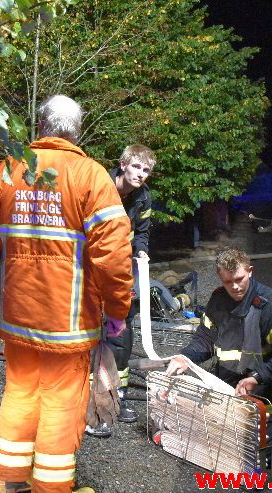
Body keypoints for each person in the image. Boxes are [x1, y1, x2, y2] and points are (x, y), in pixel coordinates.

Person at [0, 95, 133, 493]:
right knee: (60, 403)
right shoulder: (90, 176)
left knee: (19, 393)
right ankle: (51, 488)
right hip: (68, 323)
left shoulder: (6, 172)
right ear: (77, 130)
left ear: (39, 126)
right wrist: (118, 308)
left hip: (19, 317)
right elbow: (113, 256)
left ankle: (10, 481)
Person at [166, 247, 272, 467]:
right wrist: (184, 357)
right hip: (231, 392)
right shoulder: (218, 300)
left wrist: (257, 377)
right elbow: (205, 340)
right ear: (220, 277)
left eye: (239, 279)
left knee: (255, 458)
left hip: (267, 397)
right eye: (228, 282)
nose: (235, 287)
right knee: (214, 442)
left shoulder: (271, 306)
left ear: (250, 271)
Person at [86, 144, 155, 438]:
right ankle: (90, 398)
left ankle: (118, 395)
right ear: (123, 164)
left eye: (147, 170)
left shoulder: (144, 198)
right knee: (91, 333)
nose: (141, 174)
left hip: (122, 269)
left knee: (123, 334)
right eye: (137, 167)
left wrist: (141, 252)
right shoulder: (101, 186)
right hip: (92, 268)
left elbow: (142, 232)